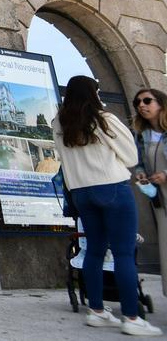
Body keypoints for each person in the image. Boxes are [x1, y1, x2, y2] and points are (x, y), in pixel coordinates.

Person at [56, 75, 160, 336]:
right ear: (94, 93)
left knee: (94, 251)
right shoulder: (105, 119)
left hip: (81, 192)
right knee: (124, 253)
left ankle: (97, 311)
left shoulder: (58, 122)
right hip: (112, 187)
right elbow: (130, 156)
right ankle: (131, 317)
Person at [131, 88, 167, 298]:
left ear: (161, 103)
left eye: (147, 100)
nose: (141, 105)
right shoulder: (141, 135)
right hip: (159, 199)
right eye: (138, 102)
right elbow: (140, 163)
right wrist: (141, 174)